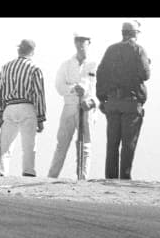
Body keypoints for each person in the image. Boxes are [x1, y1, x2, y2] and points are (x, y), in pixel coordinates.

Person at [96, 20, 151, 180]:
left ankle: (110, 178)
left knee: (112, 144)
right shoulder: (138, 50)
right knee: (128, 144)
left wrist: (102, 98)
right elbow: (146, 75)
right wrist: (147, 63)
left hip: (112, 102)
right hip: (130, 103)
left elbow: (101, 73)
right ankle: (124, 179)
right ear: (135, 34)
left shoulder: (110, 50)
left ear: (123, 33)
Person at [48, 33, 98, 180]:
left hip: (86, 109)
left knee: (85, 145)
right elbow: (58, 86)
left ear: (89, 41)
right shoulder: (66, 64)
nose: (80, 43)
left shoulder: (95, 65)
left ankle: (83, 179)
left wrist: (92, 102)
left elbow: (101, 90)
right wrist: (73, 89)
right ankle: (52, 177)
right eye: (78, 40)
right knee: (62, 143)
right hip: (69, 106)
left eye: (83, 40)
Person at [0, 38, 46, 177]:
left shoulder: (6, 67)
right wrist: (41, 118)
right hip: (27, 107)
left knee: (5, 146)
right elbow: (38, 94)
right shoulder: (35, 69)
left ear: (19, 50)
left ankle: (1, 173)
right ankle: (28, 172)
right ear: (32, 52)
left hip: (9, 108)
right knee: (29, 145)